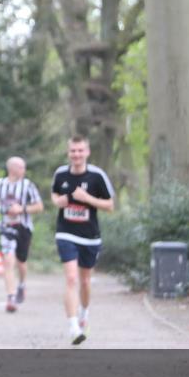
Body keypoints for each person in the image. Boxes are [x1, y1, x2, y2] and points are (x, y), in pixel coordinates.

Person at [50, 136, 115, 345]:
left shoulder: (97, 176)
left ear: (87, 152)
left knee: (85, 281)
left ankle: (84, 312)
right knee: (71, 278)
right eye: (73, 151)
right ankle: (73, 328)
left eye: (80, 151)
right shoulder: (61, 174)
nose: (76, 155)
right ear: (68, 153)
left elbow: (110, 205)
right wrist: (58, 201)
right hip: (66, 232)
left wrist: (87, 199)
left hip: (89, 236)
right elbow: (54, 195)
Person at [0, 157, 45, 313]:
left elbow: (39, 206)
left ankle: (22, 284)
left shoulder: (28, 185)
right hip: (6, 227)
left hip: (24, 227)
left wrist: (22, 209)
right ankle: (11, 297)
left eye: (24, 167)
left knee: (21, 261)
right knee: (8, 260)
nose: (24, 170)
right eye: (21, 167)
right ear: (12, 168)